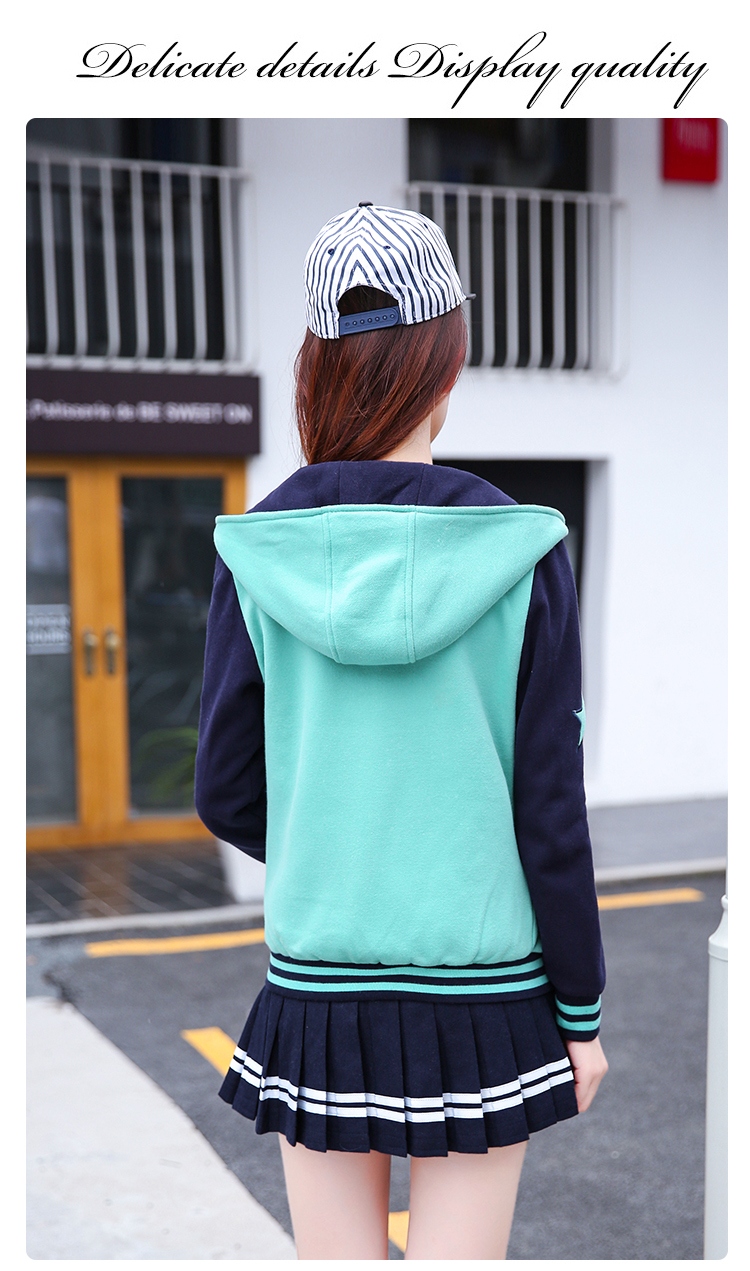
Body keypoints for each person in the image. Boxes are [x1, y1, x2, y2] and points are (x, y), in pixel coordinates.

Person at [194, 202, 607, 1260]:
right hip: (487, 991)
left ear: (316, 363)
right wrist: (581, 1010)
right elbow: (549, 806)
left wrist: (344, 846)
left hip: (320, 985)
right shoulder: (521, 549)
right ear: (448, 356)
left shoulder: (259, 551)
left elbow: (225, 786)